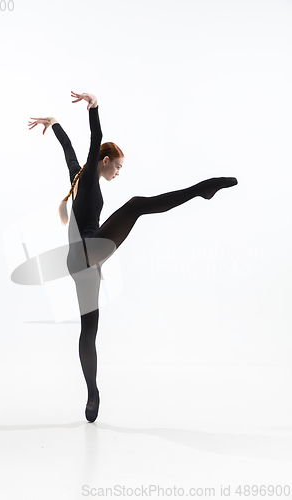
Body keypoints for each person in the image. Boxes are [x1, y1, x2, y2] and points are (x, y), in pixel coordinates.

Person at [28, 91, 238, 423]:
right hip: (87, 250)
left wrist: (55, 124)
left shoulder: (78, 177)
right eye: (118, 167)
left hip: (85, 261)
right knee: (138, 204)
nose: (118, 173)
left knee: (88, 331)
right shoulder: (88, 183)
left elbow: (68, 151)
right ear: (106, 160)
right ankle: (202, 189)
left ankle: (93, 395)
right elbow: (93, 140)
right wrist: (94, 107)